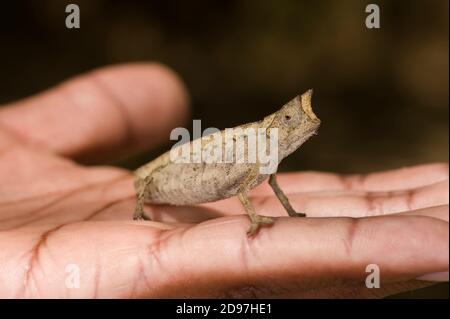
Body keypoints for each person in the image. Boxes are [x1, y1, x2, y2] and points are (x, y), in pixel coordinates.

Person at [0, 63, 447, 298]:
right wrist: (253, 220)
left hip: (199, 172)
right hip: (168, 174)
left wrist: (289, 212)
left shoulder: (267, 148)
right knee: (156, 181)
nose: (301, 126)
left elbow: (266, 180)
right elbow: (243, 185)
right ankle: (142, 202)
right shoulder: (257, 141)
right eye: (292, 120)